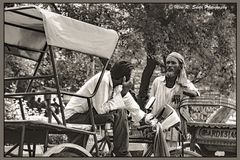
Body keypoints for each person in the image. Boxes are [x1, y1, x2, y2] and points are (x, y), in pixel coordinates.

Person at [64, 61, 146, 157]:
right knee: (120, 112)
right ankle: (122, 153)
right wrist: (122, 94)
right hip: (74, 117)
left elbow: (130, 104)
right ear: (124, 78)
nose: (131, 81)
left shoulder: (116, 84)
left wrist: (146, 118)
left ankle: (121, 151)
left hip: (86, 114)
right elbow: (101, 110)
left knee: (120, 110)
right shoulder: (103, 80)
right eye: (131, 77)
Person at [145, 52, 200, 156]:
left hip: (173, 127)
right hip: (156, 125)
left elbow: (196, 93)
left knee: (171, 153)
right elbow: (151, 102)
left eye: (173, 63)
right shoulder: (158, 81)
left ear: (180, 66)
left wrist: (182, 91)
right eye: (168, 63)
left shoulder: (184, 84)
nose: (170, 65)